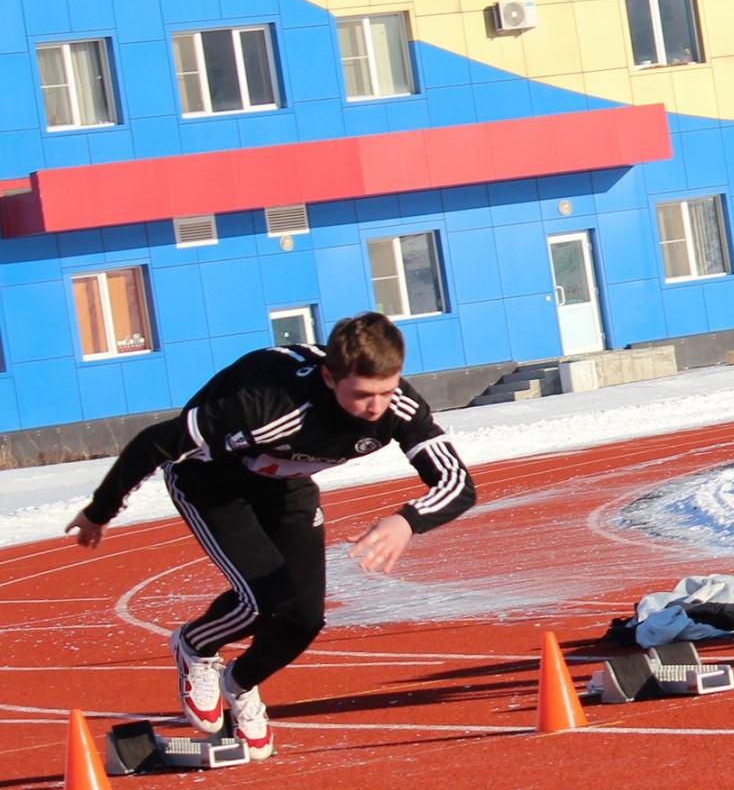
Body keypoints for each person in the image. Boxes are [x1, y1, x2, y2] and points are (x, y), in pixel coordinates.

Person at [66, 312, 477, 759]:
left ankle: (241, 685)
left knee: (304, 618)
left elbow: (457, 482)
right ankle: (196, 645)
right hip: (210, 480)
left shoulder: (398, 407)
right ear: (327, 377)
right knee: (266, 598)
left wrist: (406, 520)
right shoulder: (269, 406)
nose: (375, 407)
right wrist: (100, 510)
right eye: (361, 395)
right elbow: (153, 443)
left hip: (286, 484)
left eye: (386, 390)